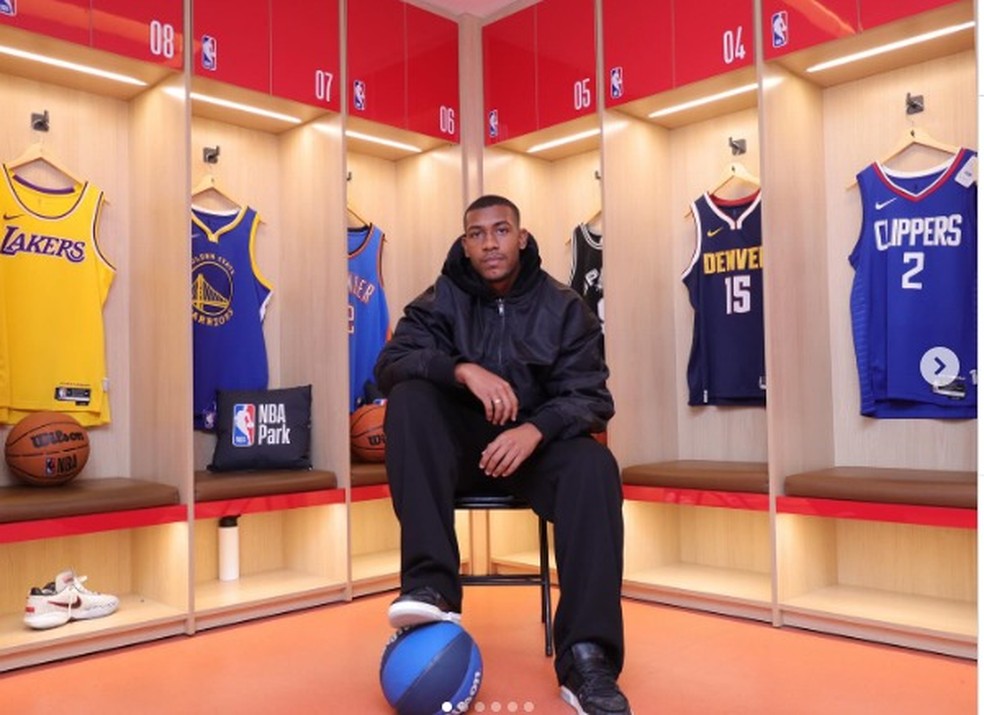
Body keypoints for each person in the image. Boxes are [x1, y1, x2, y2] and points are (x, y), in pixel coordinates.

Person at [374, 195, 631, 715]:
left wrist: (535, 429)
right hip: (457, 449)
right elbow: (391, 364)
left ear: (522, 237)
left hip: (534, 451)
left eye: (501, 230)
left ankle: (587, 658)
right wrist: (461, 370)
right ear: (465, 244)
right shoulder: (440, 299)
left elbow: (591, 398)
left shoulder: (563, 307)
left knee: (594, 466)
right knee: (409, 399)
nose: (489, 243)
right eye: (477, 234)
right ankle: (431, 588)